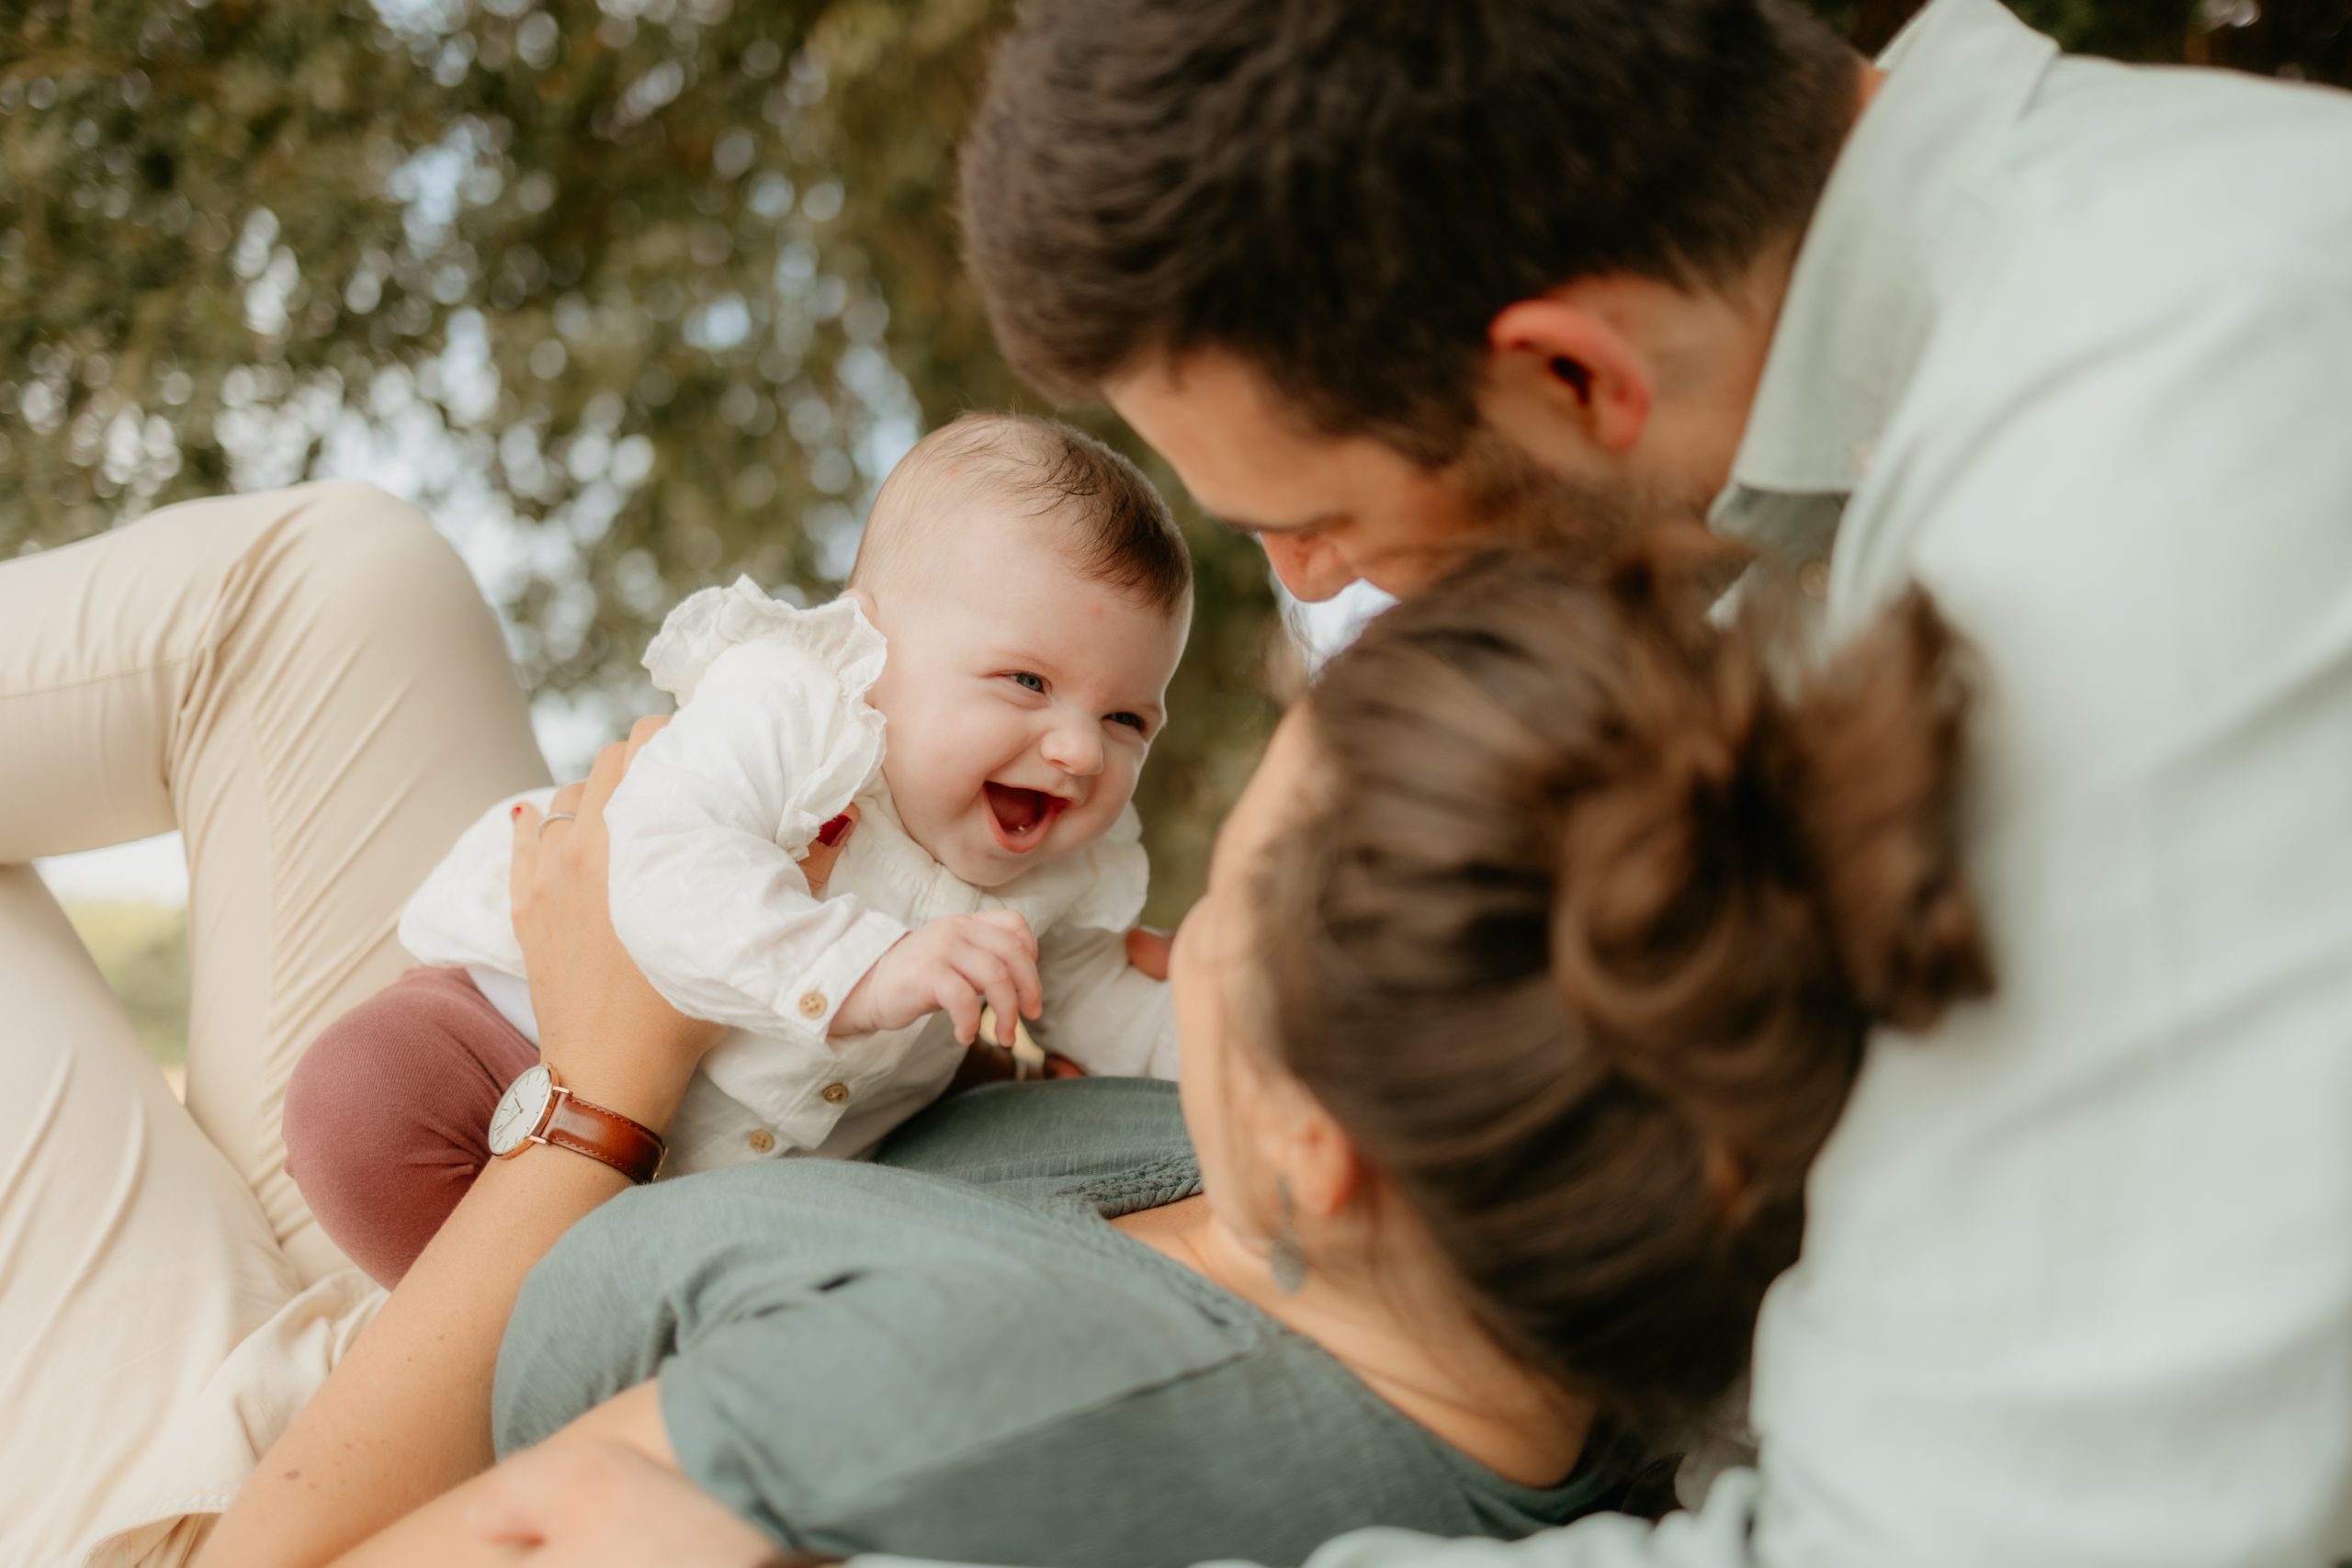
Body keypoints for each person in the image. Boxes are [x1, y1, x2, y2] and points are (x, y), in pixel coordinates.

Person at [950, 0, 2352, 1563]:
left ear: (1572, 374)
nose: (1308, 576)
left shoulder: (2144, 474)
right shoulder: (1846, 504)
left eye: (1320, 515)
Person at [0, 483, 1976, 1567]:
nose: (1167, 933)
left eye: (1231, 928)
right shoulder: (1525, 1230)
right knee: (346, 576)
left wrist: (601, 1093)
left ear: (1324, 1142)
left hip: (307, 1434)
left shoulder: (940, 1424)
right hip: (508, 1128)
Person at [283, 413, 1188, 1286]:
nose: (1078, 752)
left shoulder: (1070, 871)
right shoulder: (797, 712)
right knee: (359, 1104)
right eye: (1027, 681)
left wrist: (1225, 1041)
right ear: (869, 647)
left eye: (1125, 720)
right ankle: (481, 1330)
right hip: (507, 1034)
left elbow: (1114, 1012)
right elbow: (670, 863)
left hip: (742, 1192)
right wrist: (862, 969)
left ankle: (605, 1325)